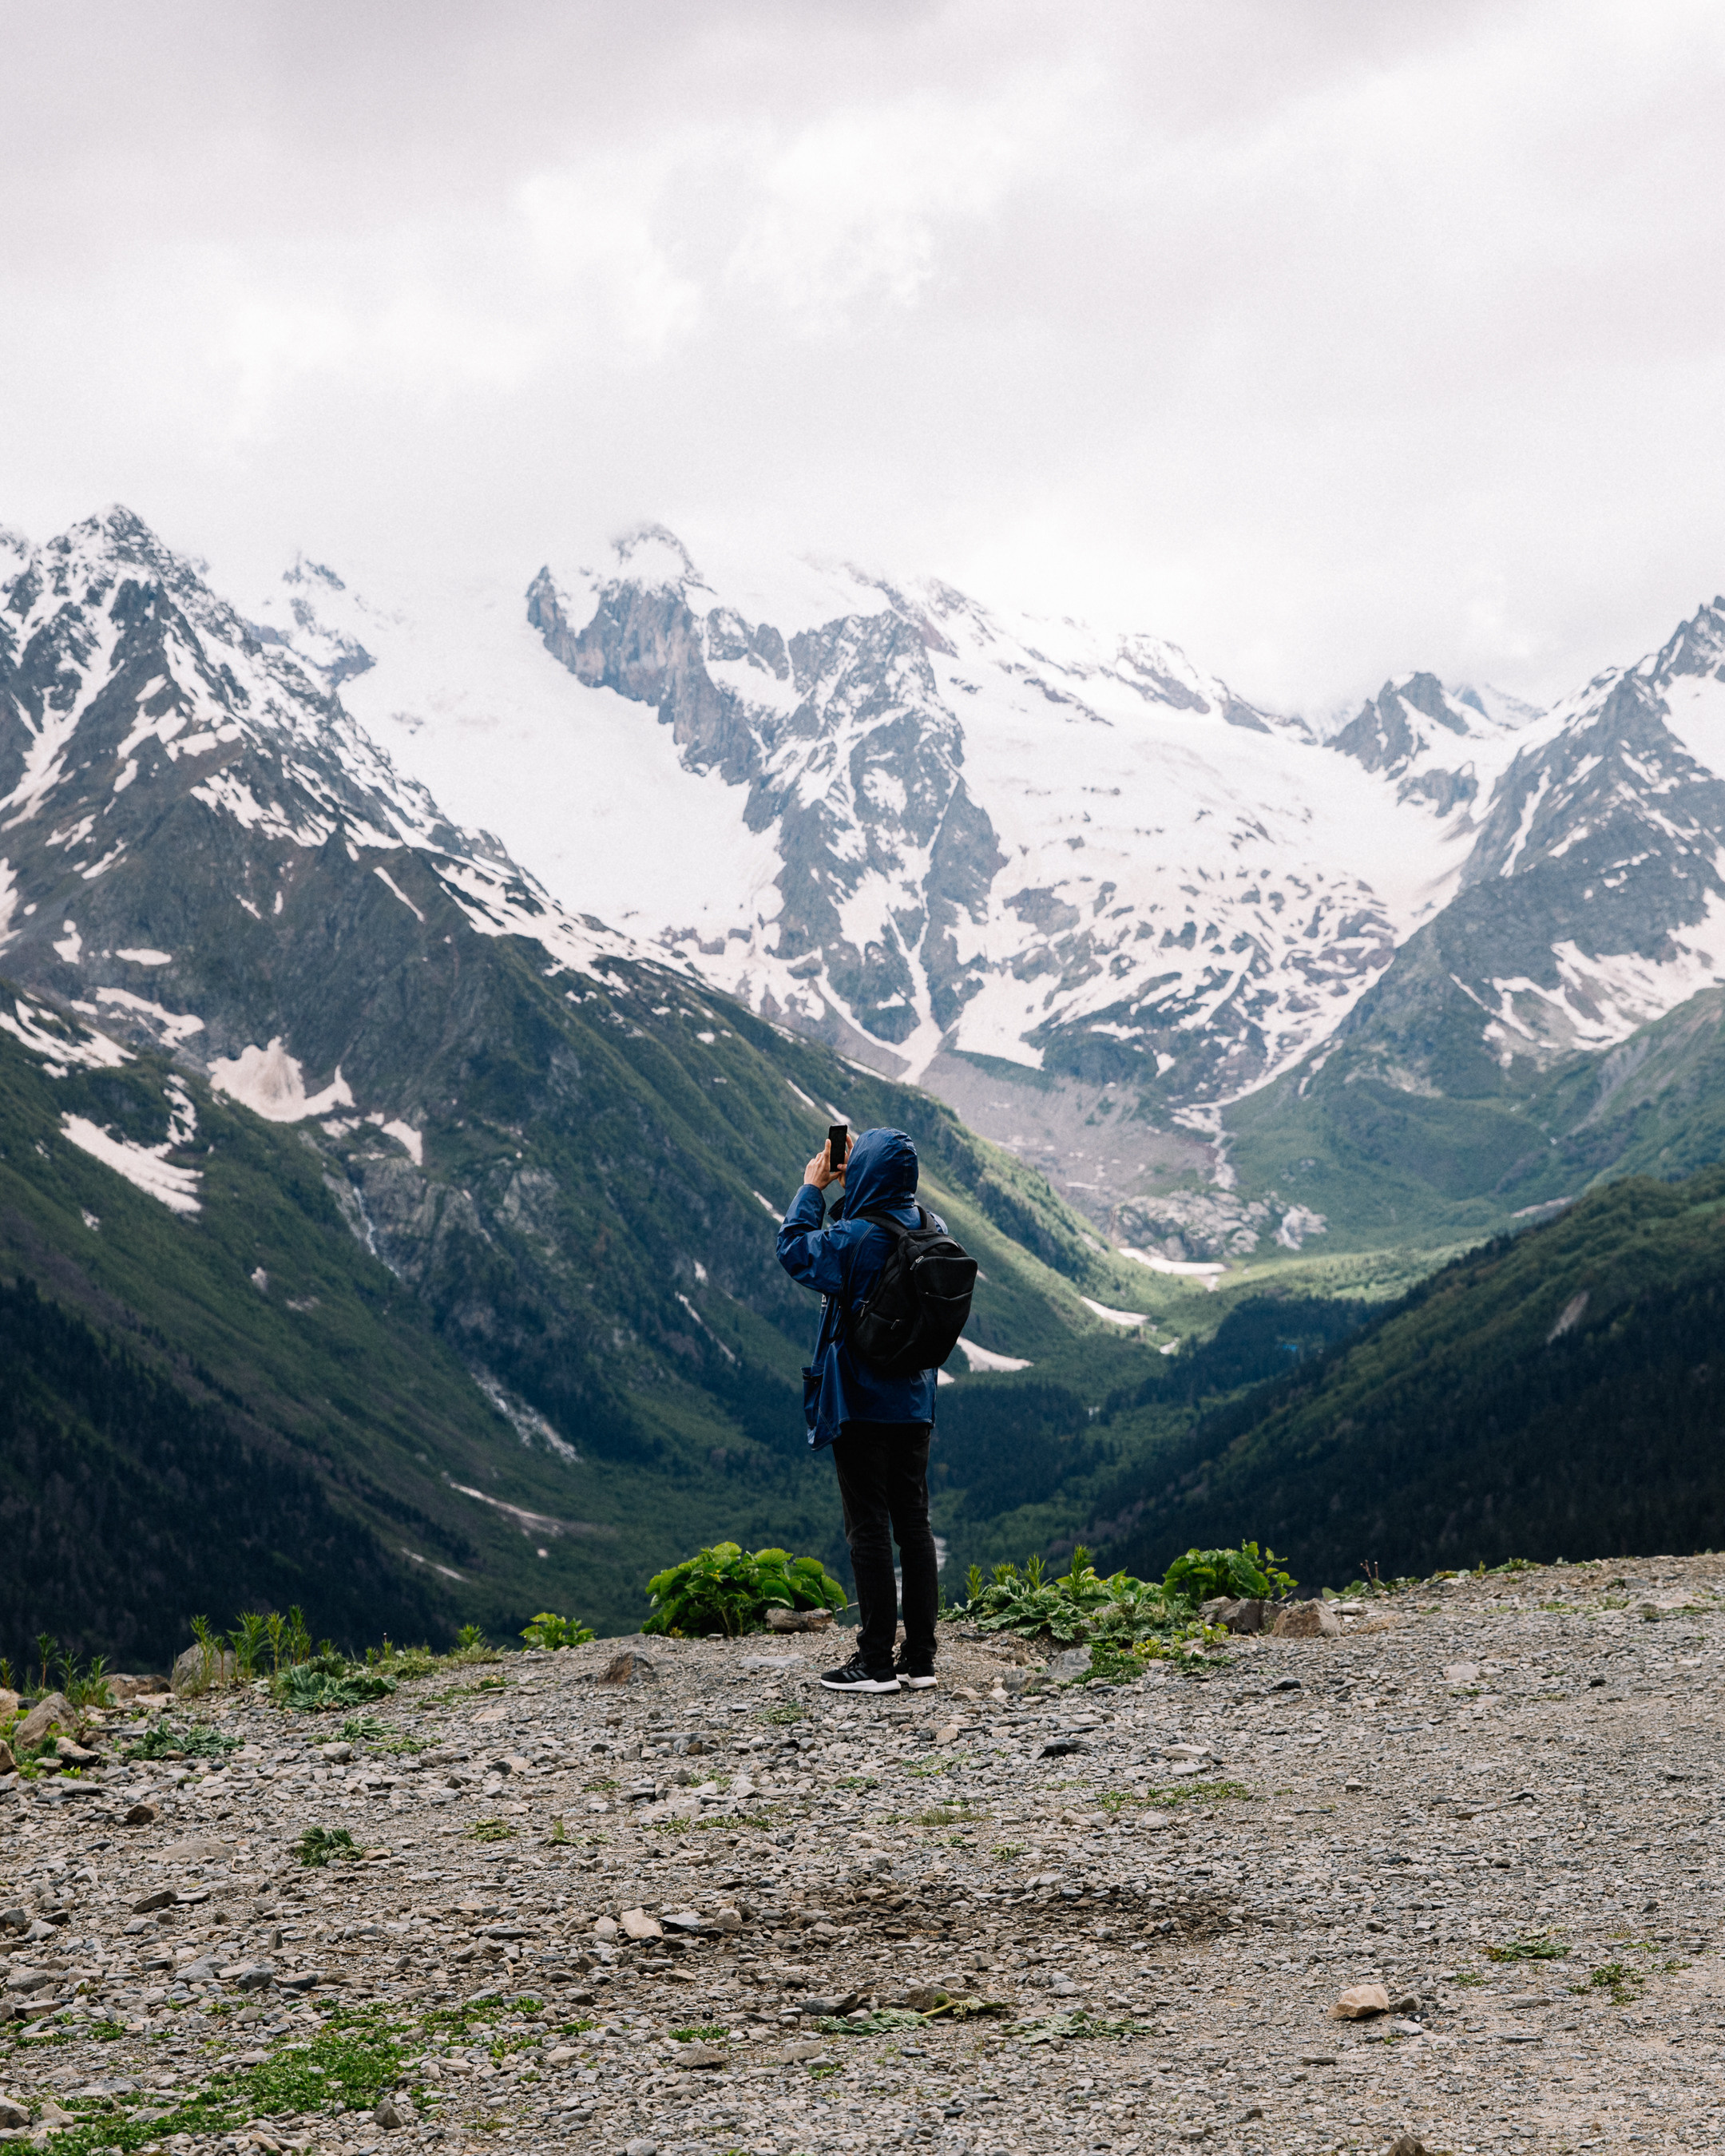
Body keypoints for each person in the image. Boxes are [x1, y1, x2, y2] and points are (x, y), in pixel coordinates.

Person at [776, 1125, 941, 1694]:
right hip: (916, 1403)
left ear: (866, 1171)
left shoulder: (852, 1240)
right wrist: (861, 1188)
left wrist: (812, 1190)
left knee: (868, 1528)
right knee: (913, 1526)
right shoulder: (930, 1227)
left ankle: (874, 1662)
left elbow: (795, 1250)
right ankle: (919, 1659)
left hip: (861, 1403)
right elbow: (881, 1221)